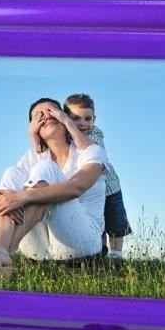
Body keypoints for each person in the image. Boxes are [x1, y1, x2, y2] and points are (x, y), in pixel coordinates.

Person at [0, 99, 108, 280]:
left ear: (64, 118)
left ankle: (2, 254)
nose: (46, 117)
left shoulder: (90, 150)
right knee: (12, 173)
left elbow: (76, 187)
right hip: (40, 249)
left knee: (45, 170)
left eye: (51, 111)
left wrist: (24, 197)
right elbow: (9, 192)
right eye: (39, 115)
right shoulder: (31, 157)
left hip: (82, 242)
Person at [61, 92, 133, 260]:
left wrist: (69, 124)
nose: (82, 123)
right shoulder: (64, 137)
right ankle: (100, 251)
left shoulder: (94, 134)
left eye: (87, 119)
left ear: (94, 119)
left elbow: (87, 148)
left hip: (109, 189)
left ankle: (116, 254)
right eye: (75, 118)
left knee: (115, 221)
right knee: (95, 220)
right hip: (88, 192)